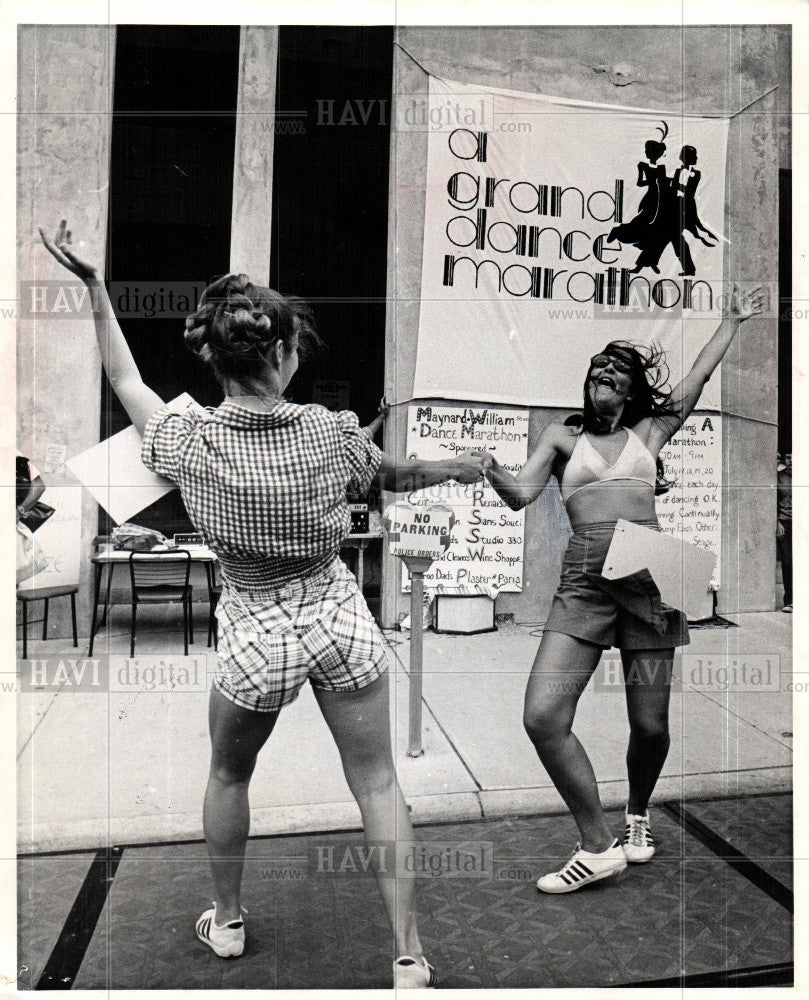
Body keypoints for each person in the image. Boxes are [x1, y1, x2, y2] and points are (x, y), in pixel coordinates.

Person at [41, 220, 489, 988]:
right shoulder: (329, 432)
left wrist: (92, 285)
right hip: (338, 617)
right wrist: (458, 464)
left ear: (212, 359)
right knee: (378, 782)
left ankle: (229, 921)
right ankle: (409, 955)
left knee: (228, 776)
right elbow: (397, 475)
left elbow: (125, 383)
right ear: (284, 353)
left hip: (256, 627)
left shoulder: (189, 438)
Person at [475, 284, 763, 894]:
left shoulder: (651, 432)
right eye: (595, 367)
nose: (601, 374)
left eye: (614, 369)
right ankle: (595, 842)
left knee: (651, 725)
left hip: (651, 569)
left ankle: (636, 818)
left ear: (630, 389)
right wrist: (492, 471)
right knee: (543, 714)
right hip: (583, 579)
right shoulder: (562, 436)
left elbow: (697, 376)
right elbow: (522, 495)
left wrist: (731, 320)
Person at [776, 452, 792, 613]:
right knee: (787, 562)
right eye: (788, 457)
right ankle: (789, 600)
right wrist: (777, 522)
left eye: (795, 456)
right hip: (785, 523)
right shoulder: (778, 477)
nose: (791, 461)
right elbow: (772, 501)